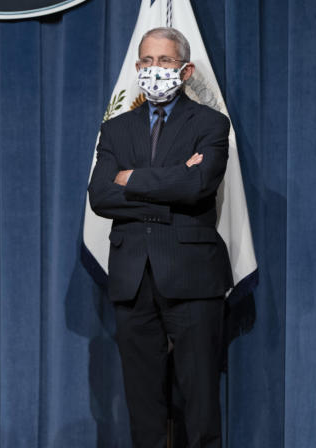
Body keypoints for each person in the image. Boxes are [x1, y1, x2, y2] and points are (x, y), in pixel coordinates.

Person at [88, 27, 231, 448]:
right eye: (147, 62)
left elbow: (199, 186)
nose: (155, 70)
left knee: (200, 402)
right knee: (143, 405)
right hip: (133, 277)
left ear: (185, 70)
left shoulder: (210, 123)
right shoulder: (115, 129)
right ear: (136, 68)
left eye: (165, 62)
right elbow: (100, 195)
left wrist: (131, 179)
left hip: (192, 276)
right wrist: (173, 184)